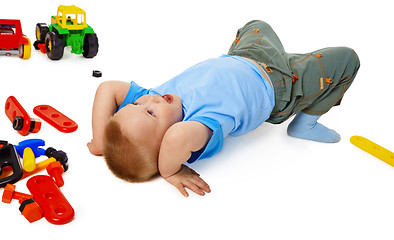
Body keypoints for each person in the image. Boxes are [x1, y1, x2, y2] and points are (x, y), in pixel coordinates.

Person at [87, 20, 360, 197]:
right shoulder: (199, 125)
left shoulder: (156, 99)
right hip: (282, 88)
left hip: (246, 56)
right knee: (347, 59)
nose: (149, 99)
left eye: (136, 104)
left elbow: (107, 89)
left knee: (256, 24)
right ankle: (306, 122)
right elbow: (175, 139)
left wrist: (101, 140)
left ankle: (295, 62)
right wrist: (169, 170)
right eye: (149, 113)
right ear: (169, 144)